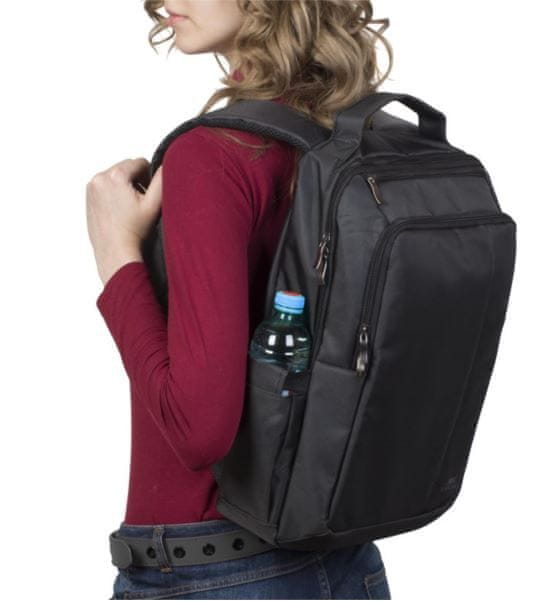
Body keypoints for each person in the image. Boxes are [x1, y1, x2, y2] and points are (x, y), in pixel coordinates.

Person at [86, 1, 393, 598]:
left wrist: (115, 252)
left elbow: (199, 431)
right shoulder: (359, 140)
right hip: (344, 561)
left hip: (212, 570)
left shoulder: (216, 154)